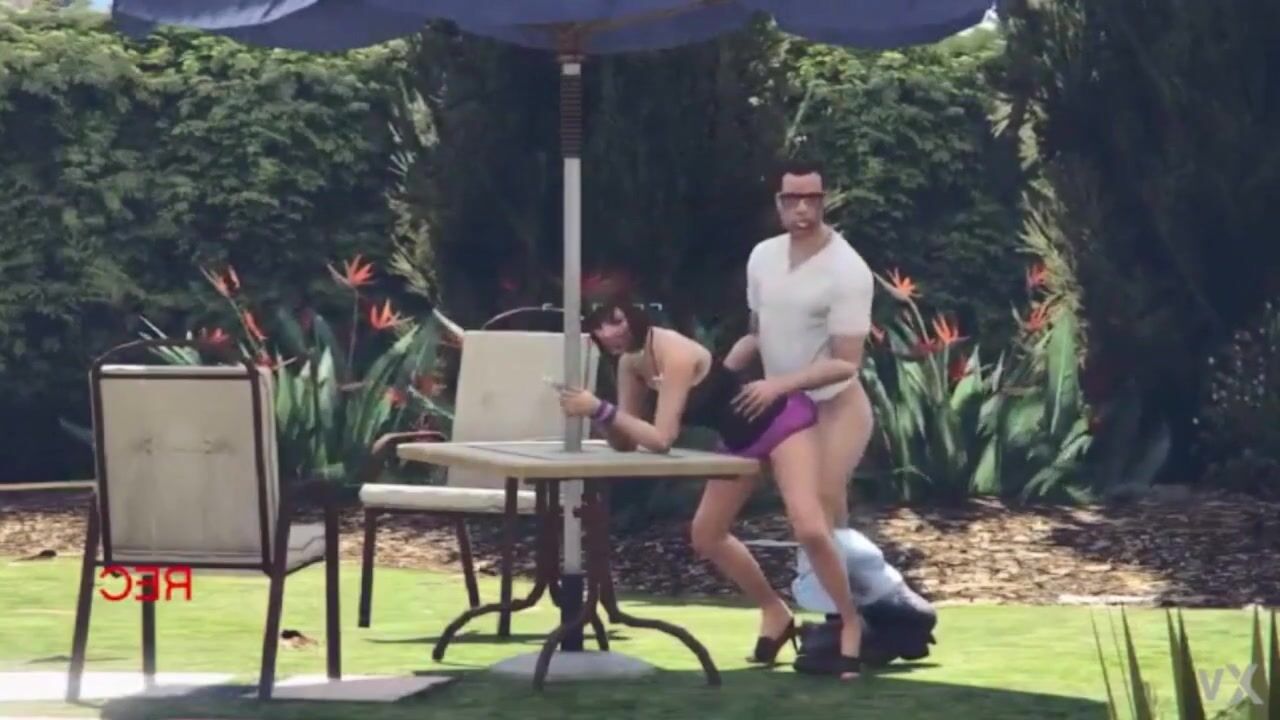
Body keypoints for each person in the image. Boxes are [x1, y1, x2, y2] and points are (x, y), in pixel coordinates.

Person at [558, 297, 864, 679]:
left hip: (779, 421)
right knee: (706, 535)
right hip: (737, 440)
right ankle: (774, 611)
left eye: (615, 321)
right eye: (598, 326)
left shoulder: (674, 353)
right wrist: (597, 413)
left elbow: (662, 438)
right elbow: (625, 441)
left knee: (810, 528)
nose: (608, 333)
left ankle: (850, 622)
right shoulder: (631, 363)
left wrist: (599, 409)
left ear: (635, 314)